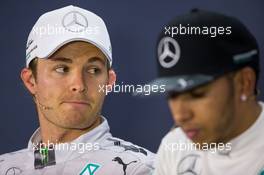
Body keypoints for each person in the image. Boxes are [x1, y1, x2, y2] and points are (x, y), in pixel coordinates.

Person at [0, 5, 154, 175]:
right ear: (31, 81)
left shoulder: (141, 168)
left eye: (93, 70)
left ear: (109, 82)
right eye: (62, 69)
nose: (79, 85)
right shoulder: (5, 166)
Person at [144, 9, 263, 174]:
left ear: (244, 83)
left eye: (197, 94)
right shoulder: (174, 145)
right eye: (172, 95)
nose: (180, 116)